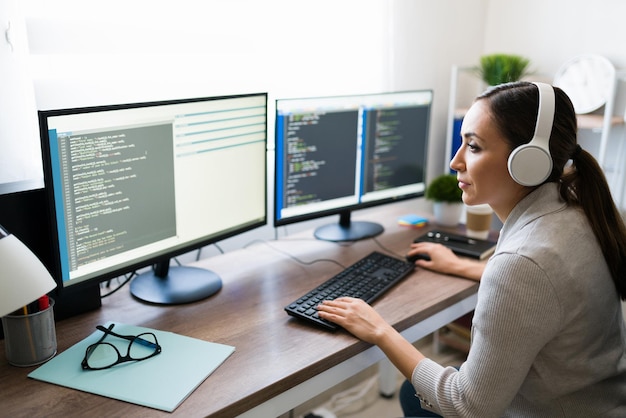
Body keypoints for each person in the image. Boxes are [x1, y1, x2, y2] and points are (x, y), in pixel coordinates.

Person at [317, 81, 626, 417]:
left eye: (474, 147)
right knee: (413, 394)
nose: (455, 161)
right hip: (601, 401)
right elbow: (551, 289)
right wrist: (464, 267)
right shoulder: (575, 208)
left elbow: (468, 406)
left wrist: (380, 331)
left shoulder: (523, 263)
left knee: (413, 394)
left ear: (529, 161)